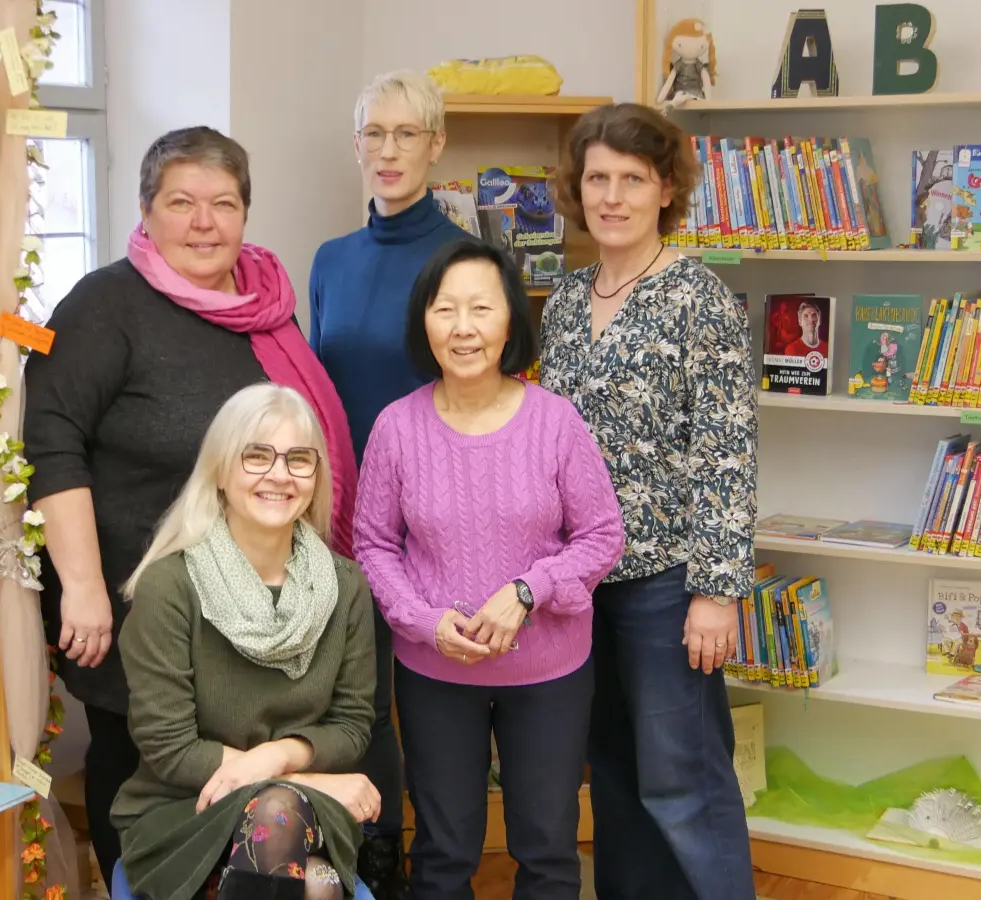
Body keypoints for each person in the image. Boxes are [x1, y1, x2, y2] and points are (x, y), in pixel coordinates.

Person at [22, 126, 359, 883]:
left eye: (223, 203)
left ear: (245, 212)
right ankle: (143, 881)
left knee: (240, 767)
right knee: (140, 760)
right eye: (181, 202)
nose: (203, 222)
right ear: (146, 211)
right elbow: (50, 441)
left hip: (252, 600)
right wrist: (80, 585)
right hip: (138, 592)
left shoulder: (264, 303)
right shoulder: (104, 305)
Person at [352, 239, 625, 899]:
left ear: (510, 323)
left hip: (550, 673)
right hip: (437, 672)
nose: (463, 327)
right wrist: (422, 621)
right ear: (424, 322)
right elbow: (372, 543)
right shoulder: (396, 428)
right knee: (443, 853)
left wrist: (529, 592)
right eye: (446, 310)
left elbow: (601, 535)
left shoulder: (556, 423)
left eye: (481, 308)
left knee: (548, 848)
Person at [536, 102, 759, 900]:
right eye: (598, 177)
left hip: (669, 587)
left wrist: (717, 591)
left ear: (666, 189)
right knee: (617, 779)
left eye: (633, 179)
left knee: (685, 783)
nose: (613, 195)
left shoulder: (701, 299)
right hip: (580, 587)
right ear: (578, 188)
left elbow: (727, 451)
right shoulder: (562, 305)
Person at [111, 382, 378, 900]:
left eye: (299, 459)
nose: (279, 474)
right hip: (185, 810)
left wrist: (275, 759)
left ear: (317, 475)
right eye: (257, 456)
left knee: (296, 857)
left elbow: (351, 727)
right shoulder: (170, 586)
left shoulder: (345, 587)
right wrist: (309, 782)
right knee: (312, 886)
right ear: (219, 468)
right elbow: (170, 748)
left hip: (309, 817)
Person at [307, 70, 469, 896]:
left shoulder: (463, 261)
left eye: (408, 134)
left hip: (438, 518)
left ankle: (438, 868)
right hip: (344, 522)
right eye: (375, 133)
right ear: (357, 146)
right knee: (359, 703)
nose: (390, 150)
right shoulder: (331, 261)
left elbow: (484, 396)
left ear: (437, 145)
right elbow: (318, 393)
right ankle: (375, 857)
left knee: (438, 709)